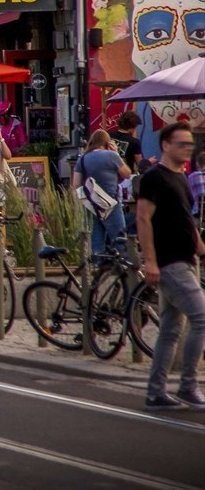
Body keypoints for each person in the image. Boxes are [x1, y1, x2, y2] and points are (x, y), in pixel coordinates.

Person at [136, 122, 205, 411]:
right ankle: (188, 385)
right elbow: (143, 218)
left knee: (170, 329)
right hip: (169, 262)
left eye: (190, 144)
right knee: (201, 317)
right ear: (165, 145)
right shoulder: (155, 177)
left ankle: (156, 393)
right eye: (182, 144)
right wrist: (150, 260)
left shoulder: (181, 177)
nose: (188, 149)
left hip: (185, 260)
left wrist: (200, 248)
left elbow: (186, 221)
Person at [73, 129, 131, 255]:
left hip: (90, 204)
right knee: (119, 238)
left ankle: (96, 269)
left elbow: (76, 184)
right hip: (110, 202)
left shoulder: (82, 159)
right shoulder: (112, 156)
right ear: (107, 143)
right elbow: (127, 174)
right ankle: (123, 268)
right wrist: (117, 153)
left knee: (96, 242)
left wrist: (85, 201)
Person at [110, 110, 147, 174]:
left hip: (111, 171)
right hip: (126, 175)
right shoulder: (135, 142)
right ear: (133, 126)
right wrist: (148, 162)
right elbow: (139, 163)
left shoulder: (109, 135)